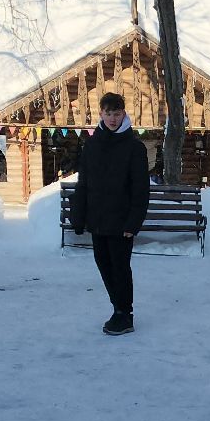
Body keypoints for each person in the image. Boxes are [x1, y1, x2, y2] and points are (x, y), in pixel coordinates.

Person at [68, 92, 149, 333]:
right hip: (97, 218)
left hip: (121, 221)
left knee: (120, 267)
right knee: (103, 264)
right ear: (100, 114)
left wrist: (133, 223)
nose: (113, 118)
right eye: (108, 113)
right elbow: (84, 183)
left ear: (124, 114)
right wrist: (79, 216)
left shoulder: (135, 147)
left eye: (117, 113)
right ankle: (117, 308)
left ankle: (125, 313)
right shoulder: (92, 144)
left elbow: (140, 190)